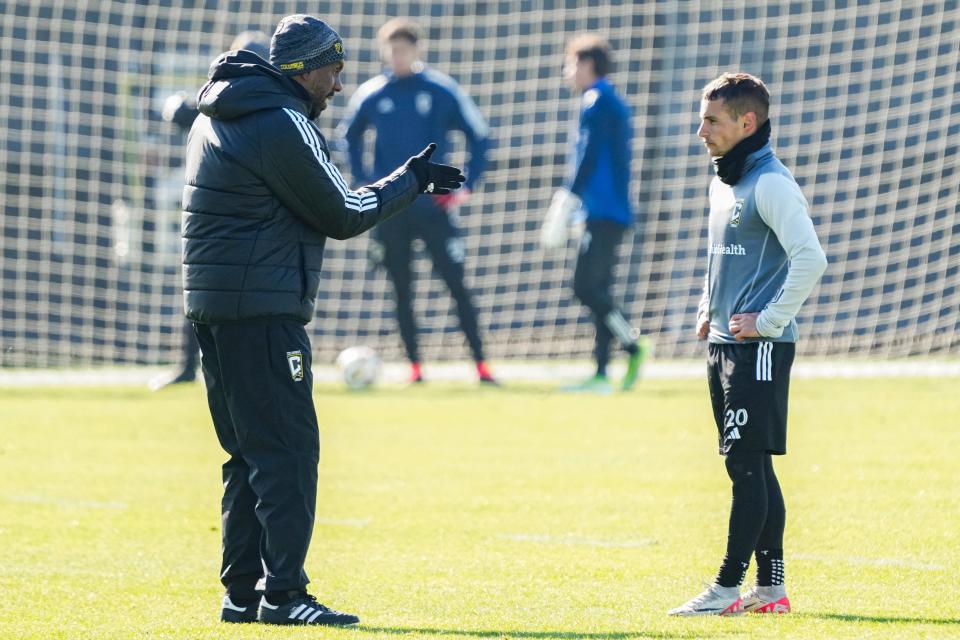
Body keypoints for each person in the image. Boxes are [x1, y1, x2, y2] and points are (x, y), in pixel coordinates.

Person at [182, 14, 464, 626]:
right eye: (333, 72)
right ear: (305, 69)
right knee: (288, 452)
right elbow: (342, 210)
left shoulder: (217, 113)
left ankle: (243, 594)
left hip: (214, 307)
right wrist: (411, 180)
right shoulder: (282, 120)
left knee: (246, 452)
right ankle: (285, 596)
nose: (338, 86)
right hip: (262, 310)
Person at [668, 72, 827, 616]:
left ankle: (726, 587)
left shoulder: (772, 183)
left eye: (711, 121)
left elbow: (811, 258)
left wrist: (771, 319)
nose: (700, 130)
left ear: (746, 123)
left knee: (745, 467)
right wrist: (707, 307)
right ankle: (772, 589)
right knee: (753, 464)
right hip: (722, 343)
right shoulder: (725, 180)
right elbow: (725, 253)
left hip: (757, 348)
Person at [339, 18, 495, 385]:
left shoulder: (442, 90)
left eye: (403, 50)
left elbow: (481, 136)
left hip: (434, 206)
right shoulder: (373, 93)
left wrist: (466, 185)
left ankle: (482, 367)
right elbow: (348, 136)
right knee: (401, 289)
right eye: (391, 50)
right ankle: (415, 369)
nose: (397, 57)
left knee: (456, 285)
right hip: (391, 209)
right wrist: (364, 180)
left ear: (416, 50)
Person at [149, 31, 270, 391]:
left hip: (242, 217)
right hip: (230, 217)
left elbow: (181, 110)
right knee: (205, 296)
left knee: (224, 298)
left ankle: (208, 368)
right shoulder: (226, 101)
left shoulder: (263, 106)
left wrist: (178, 107)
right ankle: (192, 367)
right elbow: (180, 110)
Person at [540, 34, 647, 394]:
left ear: (587, 65)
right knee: (598, 289)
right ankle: (601, 374)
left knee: (585, 287)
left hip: (603, 211)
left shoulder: (596, 100)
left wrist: (567, 198)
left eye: (571, 64)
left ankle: (631, 345)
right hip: (606, 210)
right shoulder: (608, 100)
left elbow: (587, 156)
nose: (567, 73)